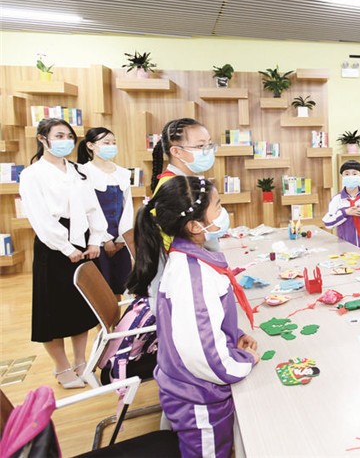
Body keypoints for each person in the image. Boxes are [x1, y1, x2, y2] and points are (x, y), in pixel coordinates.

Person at [134, 176, 258, 457]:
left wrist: (234, 336)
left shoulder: (189, 259)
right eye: (218, 206)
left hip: (193, 389)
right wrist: (245, 360)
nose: (224, 213)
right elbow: (205, 356)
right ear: (194, 226)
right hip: (199, 399)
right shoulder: (192, 277)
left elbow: (199, 324)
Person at [19, 118, 108, 389]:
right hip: (53, 245)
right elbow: (40, 218)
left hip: (83, 240)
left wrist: (96, 240)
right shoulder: (32, 174)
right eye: (59, 136)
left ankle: (81, 361)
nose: (66, 141)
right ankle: (61, 367)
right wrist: (67, 247)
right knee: (52, 311)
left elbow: (93, 208)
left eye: (69, 136)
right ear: (42, 139)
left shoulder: (78, 170)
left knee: (80, 306)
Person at [128, 118, 218, 307]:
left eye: (209, 145)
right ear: (176, 151)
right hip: (177, 289)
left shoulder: (182, 182)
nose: (208, 151)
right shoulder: (179, 190)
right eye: (200, 146)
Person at [77, 127, 134, 299]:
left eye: (113, 143)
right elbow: (87, 209)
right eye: (106, 143)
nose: (111, 146)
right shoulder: (83, 172)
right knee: (101, 290)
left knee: (120, 287)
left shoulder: (123, 173)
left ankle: (118, 318)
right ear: (90, 145)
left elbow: (127, 207)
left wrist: (121, 239)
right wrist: (105, 239)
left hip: (120, 240)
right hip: (96, 241)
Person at [323, 160, 360, 250]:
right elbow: (328, 223)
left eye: (354, 174)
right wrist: (345, 213)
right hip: (345, 248)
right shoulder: (337, 199)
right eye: (347, 174)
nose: (350, 176)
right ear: (342, 177)